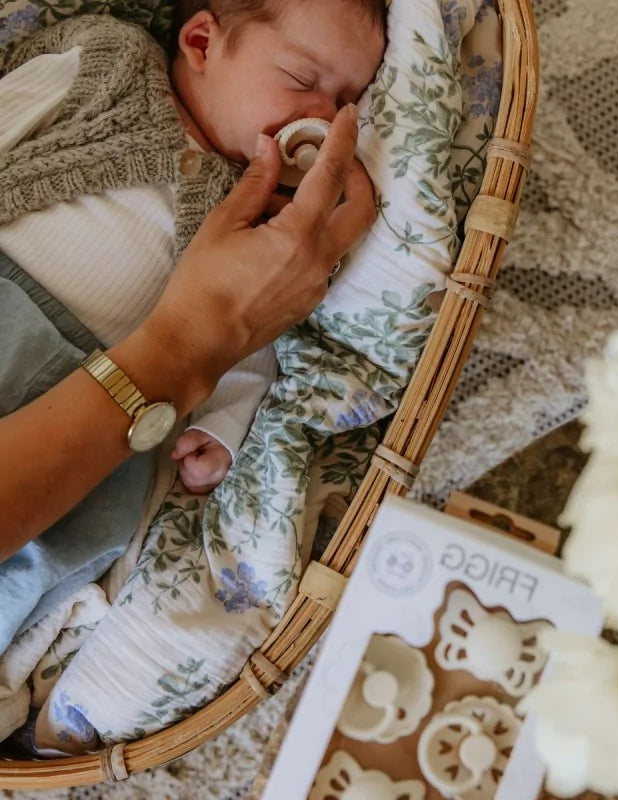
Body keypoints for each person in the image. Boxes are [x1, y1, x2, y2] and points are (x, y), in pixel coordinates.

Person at [0, 0, 385, 646]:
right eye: (301, 80)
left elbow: (251, 333)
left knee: (64, 538)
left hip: (109, 410)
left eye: (348, 103)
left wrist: (224, 427)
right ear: (203, 42)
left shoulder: (281, 222)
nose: (324, 117)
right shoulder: (113, 65)